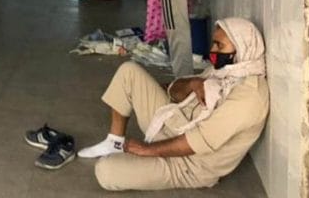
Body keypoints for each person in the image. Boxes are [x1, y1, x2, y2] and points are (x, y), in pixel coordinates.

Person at [76, 18, 270, 191]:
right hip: (174, 122)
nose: (213, 51)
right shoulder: (227, 71)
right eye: (214, 44)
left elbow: (199, 141)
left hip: (188, 164)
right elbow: (172, 91)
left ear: (242, 48)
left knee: (106, 171)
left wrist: (147, 150)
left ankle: (139, 157)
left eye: (220, 46)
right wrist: (192, 84)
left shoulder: (249, 97)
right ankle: (114, 142)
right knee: (129, 72)